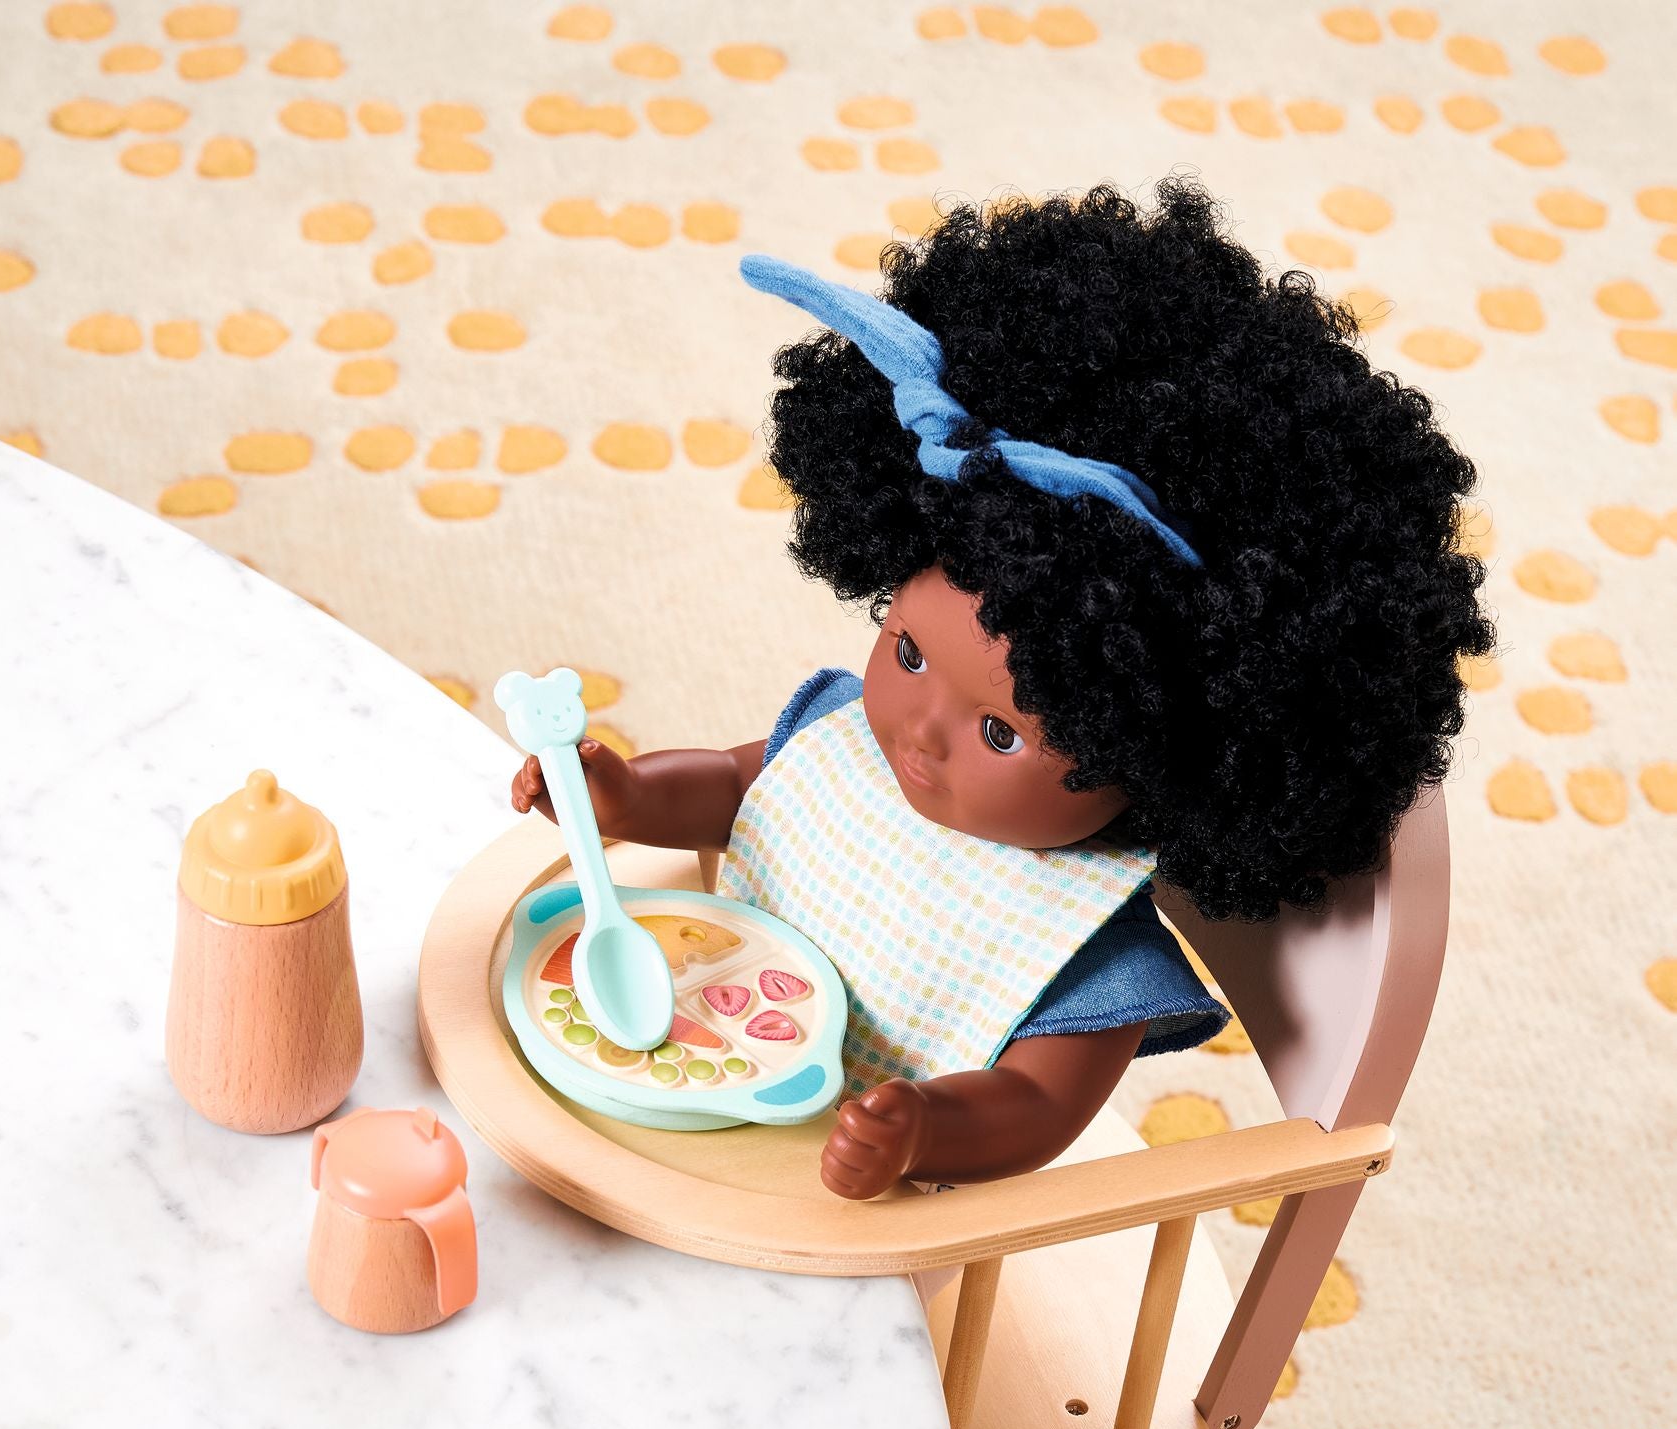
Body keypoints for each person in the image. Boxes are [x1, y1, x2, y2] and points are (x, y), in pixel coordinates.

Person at [511, 175, 1495, 1201]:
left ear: (1154, 751)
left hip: (862, 1225)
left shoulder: (1082, 936)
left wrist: (922, 1130)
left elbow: (1033, 1104)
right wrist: (615, 794)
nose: (921, 734)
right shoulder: (845, 743)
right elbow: (727, 784)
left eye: (999, 731)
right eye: (906, 654)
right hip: (666, 1080)